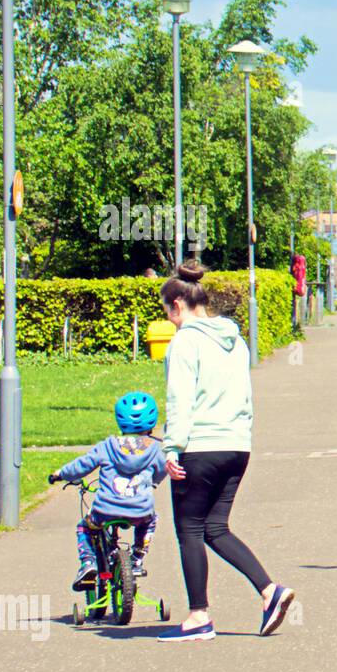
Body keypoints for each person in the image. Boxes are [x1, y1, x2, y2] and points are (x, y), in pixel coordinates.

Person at [157, 261, 295, 643]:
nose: (169, 320)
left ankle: (198, 616)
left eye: (168, 312)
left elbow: (179, 399)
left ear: (178, 305)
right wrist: (242, 434)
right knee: (215, 529)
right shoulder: (235, 341)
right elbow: (246, 395)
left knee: (188, 529)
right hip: (236, 446)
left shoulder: (185, 341)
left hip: (199, 447)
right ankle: (270, 591)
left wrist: (172, 447)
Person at [48, 392, 166, 587]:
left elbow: (83, 465)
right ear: (152, 421)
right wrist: (153, 482)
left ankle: (88, 563)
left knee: (84, 527)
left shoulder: (107, 446)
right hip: (139, 511)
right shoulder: (155, 449)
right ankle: (137, 557)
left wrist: (61, 474)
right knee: (150, 520)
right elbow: (162, 470)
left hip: (105, 511)